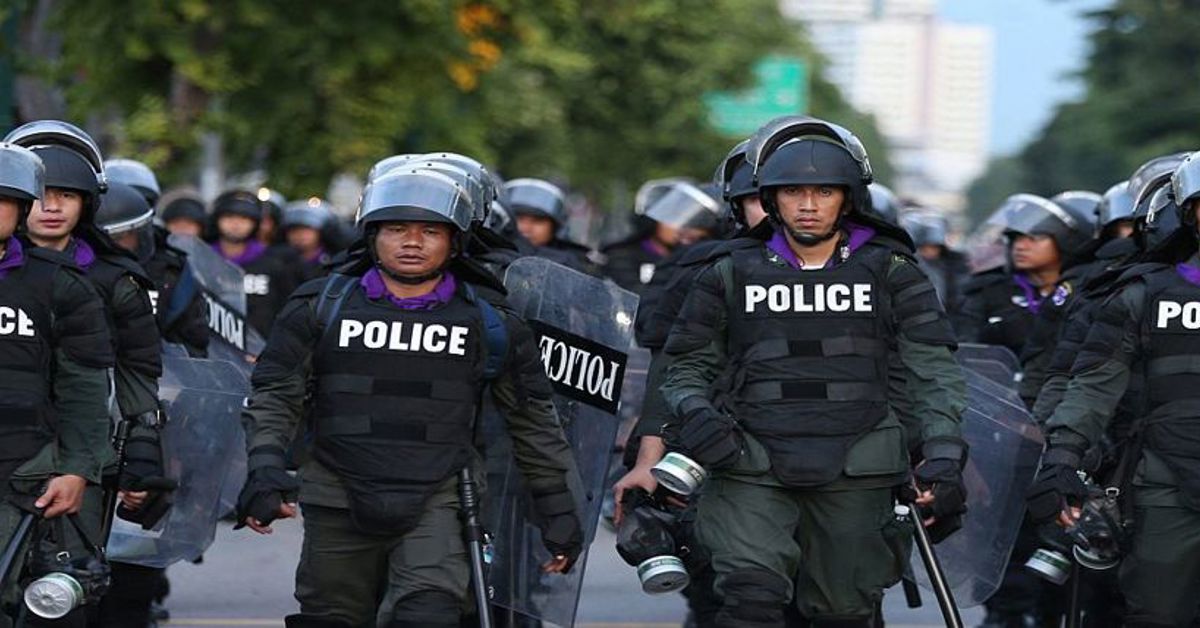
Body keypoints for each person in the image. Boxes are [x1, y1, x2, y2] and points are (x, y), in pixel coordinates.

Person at [237, 167, 583, 627]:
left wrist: (557, 506)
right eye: (397, 229)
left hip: (441, 497)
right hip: (337, 492)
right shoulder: (320, 306)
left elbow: (533, 419)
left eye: (430, 231)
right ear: (372, 235)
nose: (412, 242)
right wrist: (263, 469)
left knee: (427, 615)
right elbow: (276, 395)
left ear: (455, 241)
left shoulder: (491, 322)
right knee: (330, 618)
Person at [658, 117, 966, 627]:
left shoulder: (892, 271)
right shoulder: (728, 271)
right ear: (770, 199)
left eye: (823, 191)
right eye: (792, 191)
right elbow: (686, 365)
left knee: (843, 613)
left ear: (847, 199)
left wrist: (944, 453)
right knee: (748, 599)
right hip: (749, 460)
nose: (807, 204)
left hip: (858, 462)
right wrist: (695, 414)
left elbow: (932, 370)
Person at [1028, 152, 1200, 627]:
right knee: (1157, 614)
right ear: (1188, 214)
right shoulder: (1142, 294)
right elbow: (1092, 385)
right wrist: (1062, 457)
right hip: (1165, 482)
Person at [0, 141, 114, 628]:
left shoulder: (58, 284)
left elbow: (85, 386)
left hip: (20, 475)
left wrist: (77, 470)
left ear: (20, 208)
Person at [97, 180, 209, 357]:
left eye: (125, 235)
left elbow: (194, 343)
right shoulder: (78, 273)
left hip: (163, 375)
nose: (118, 244)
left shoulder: (171, 272)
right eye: (111, 237)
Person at [209, 189, 302, 337]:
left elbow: (287, 312)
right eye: (229, 216)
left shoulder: (273, 262)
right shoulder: (202, 258)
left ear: (255, 223)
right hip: (210, 350)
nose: (236, 223)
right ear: (217, 219)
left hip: (260, 352)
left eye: (244, 218)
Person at [503, 178, 596, 274]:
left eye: (537, 221)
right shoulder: (491, 251)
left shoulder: (570, 264)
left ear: (555, 226)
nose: (526, 228)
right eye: (519, 218)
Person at [280, 197, 339, 281]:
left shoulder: (334, 261)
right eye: (294, 230)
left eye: (306, 229)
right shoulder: (279, 261)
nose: (300, 235)